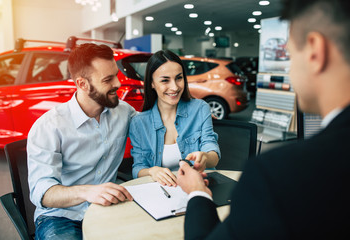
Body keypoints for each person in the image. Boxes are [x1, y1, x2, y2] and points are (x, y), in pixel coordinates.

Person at [177, 0, 350, 239]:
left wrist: (197, 193)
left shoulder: (280, 176)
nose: (289, 71)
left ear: (314, 51)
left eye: (289, 55)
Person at [27, 43, 136, 240]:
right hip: (61, 218)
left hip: (108, 210)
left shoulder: (124, 112)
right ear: (82, 84)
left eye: (116, 75)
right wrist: (87, 192)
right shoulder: (49, 126)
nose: (118, 84)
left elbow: (156, 132)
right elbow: (41, 193)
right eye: (108, 79)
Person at [129, 50, 220, 186]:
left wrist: (205, 157)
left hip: (200, 187)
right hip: (164, 193)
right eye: (165, 80)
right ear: (152, 83)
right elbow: (138, 168)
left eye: (179, 78)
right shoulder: (139, 123)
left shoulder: (200, 108)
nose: (175, 87)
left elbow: (213, 153)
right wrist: (152, 171)